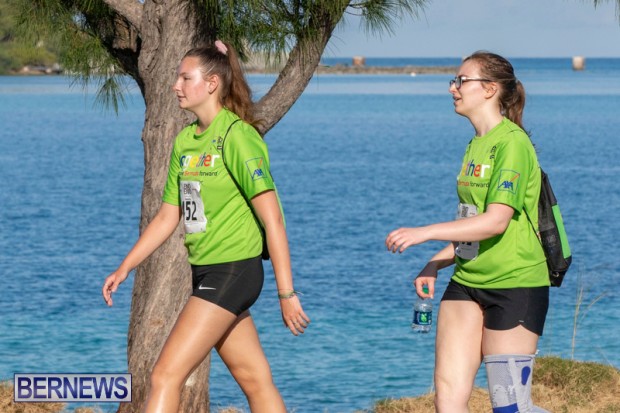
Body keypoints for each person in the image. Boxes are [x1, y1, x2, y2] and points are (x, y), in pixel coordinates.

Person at [102, 40, 309, 413]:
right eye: (177, 78)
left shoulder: (237, 137)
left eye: (185, 77)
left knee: (165, 375)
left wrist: (287, 293)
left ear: (212, 83)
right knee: (256, 381)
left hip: (234, 270)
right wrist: (125, 267)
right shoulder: (185, 142)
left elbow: (273, 219)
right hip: (205, 271)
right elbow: (168, 216)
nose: (176, 85)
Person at [386, 51, 550, 413]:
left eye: (462, 81)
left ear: (490, 89)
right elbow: (471, 222)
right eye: (454, 81)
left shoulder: (512, 143)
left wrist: (425, 232)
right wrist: (435, 263)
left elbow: (496, 221)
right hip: (466, 281)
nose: (453, 88)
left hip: (515, 285)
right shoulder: (476, 144)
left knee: (509, 406)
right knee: (447, 398)